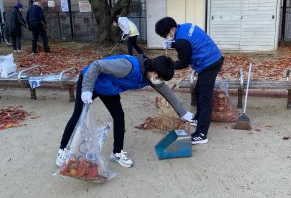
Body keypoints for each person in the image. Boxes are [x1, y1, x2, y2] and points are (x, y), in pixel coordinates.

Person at [56, 54, 193, 168]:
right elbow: (96, 65)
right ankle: (63, 149)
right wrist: (86, 89)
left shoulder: (151, 77)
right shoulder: (128, 67)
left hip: (109, 88)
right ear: (153, 69)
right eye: (159, 77)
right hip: (91, 80)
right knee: (78, 114)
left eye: (162, 79)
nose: (159, 81)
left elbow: (168, 93)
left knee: (119, 116)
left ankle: (117, 153)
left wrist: (183, 113)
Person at [155, 17, 224, 145]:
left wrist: (169, 65)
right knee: (198, 91)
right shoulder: (185, 27)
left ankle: (201, 134)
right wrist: (172, 44)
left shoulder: (181, 41)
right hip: (211, 58)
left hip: (210, 63)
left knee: (205, 99)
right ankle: (198, 118)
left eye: (166, 35)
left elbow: (183, 63)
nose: (167, 37)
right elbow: (188, 44)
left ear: (171, 29)